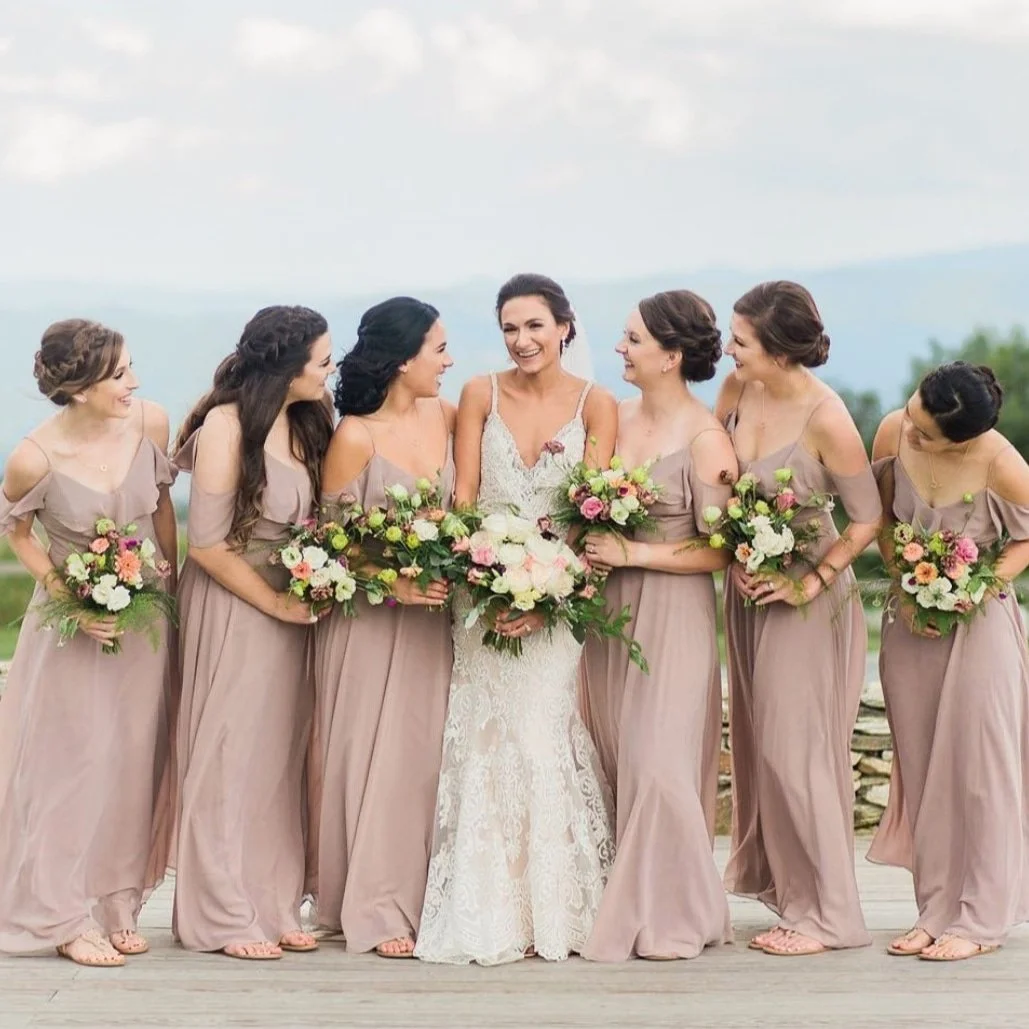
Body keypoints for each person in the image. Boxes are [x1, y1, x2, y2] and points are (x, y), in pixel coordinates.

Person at [415, 273, 617, 965]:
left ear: (565, 326)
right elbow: (466, 500)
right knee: (485, 738)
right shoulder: (480, 393)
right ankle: (491, 904)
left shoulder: (598, 405)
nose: (521, 340)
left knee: (541, 734)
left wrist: (546, 595)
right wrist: (487, 580)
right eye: (509, 327)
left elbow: (593, 518)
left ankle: (556, 907)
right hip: (483, 596)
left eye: (534, 325)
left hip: (556, 608)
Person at [0, 320, 177, 967]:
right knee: (68, 769)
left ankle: (117, 900)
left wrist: (168, 574)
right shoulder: (33, 457)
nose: (135, 383)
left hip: (142, 621)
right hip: (73, 629)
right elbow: (16, 530)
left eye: (132, 367)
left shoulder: (149, 422)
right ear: (77, 388)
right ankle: (62, 913)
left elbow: (160, 502)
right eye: (120, 374)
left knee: (130, 760)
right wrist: (69, 594)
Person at [715, 280, 881, 956]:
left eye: (741, 340)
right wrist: (728, 554)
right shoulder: (734, 392)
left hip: (807, 601)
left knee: (797, 751)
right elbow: (717, 481)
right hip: (749, 591)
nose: (728, 349)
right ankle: (790, 892)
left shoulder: (827, 418)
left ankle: (829, 915)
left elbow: (866, 518)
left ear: (781, 350)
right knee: (762, 747)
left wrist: (807, 580)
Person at [172, 305, 334, 960]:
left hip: (292, 608)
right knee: (228, 757)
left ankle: (272, 902)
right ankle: (220, 913)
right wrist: (274, 601)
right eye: (322, 361)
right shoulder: (225, 425)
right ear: (288, 366)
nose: (329, 372)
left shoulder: (309, 422)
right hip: (237, 604)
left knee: (279, 761)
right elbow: (206, 543)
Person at [579, 290, 736, 961]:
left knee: (659, 763)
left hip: (673, 614)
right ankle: (626, 895)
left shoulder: (705, 440)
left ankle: (677, 909)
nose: (620, 347)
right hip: (606, 613)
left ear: (671, 356)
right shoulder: (612, 415)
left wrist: (634, 552)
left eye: (633, 339)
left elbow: (721, 548)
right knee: (612, 756)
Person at [868, 362, 1029, 961]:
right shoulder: (892, 430)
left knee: (980, 772)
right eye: (913, 412)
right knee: (923, 767)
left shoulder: (1003, 465)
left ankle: (981, 918)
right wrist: (905, 582)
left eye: (926, 432)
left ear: (962, 439)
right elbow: (881, 519)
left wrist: (974, 586)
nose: (911, 431)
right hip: (909, 624)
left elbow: (1024, 541)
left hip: (979, 625)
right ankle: (933, 909)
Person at [310, 297, 456, 957]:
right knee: (375, 758)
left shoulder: (448, 416)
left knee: (426, 761)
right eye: (438, 348)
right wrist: (392, 579)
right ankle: (373, 902)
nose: (447, 360)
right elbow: (329, 544)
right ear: (403, 359)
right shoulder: (355, 435)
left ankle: (428, 894)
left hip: (438, 624)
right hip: (371, 621)